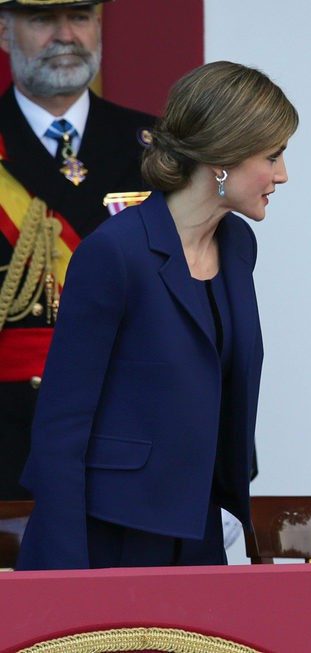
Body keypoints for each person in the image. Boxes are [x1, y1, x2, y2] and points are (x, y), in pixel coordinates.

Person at [15, 60, 298, 570]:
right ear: (222, 158)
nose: (282, 174)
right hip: (111, 533)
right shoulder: (116, 253)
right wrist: (64, 573)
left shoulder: (238, 246)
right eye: (273, 155)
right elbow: (62, 426)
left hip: (199, 529)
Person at [0, 0, 155, 500]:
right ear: (5, 31)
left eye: (81, 17)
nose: (65, 34)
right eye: (42, 19)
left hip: (129, 419)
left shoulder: (160, 149)